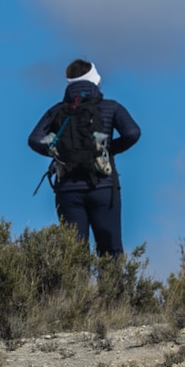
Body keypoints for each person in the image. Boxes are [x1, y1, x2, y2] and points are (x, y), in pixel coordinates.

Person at [28, 59, 141, 254]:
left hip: (68, 190)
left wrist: (60, 154)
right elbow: (132, 133)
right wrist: (110, 149)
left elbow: (34, 140)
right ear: (96, 81)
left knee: (74, 253)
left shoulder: (57, 111)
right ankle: (111, 285)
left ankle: (78, 285)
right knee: (110, 250)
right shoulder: (111, 107)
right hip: (103, 186)